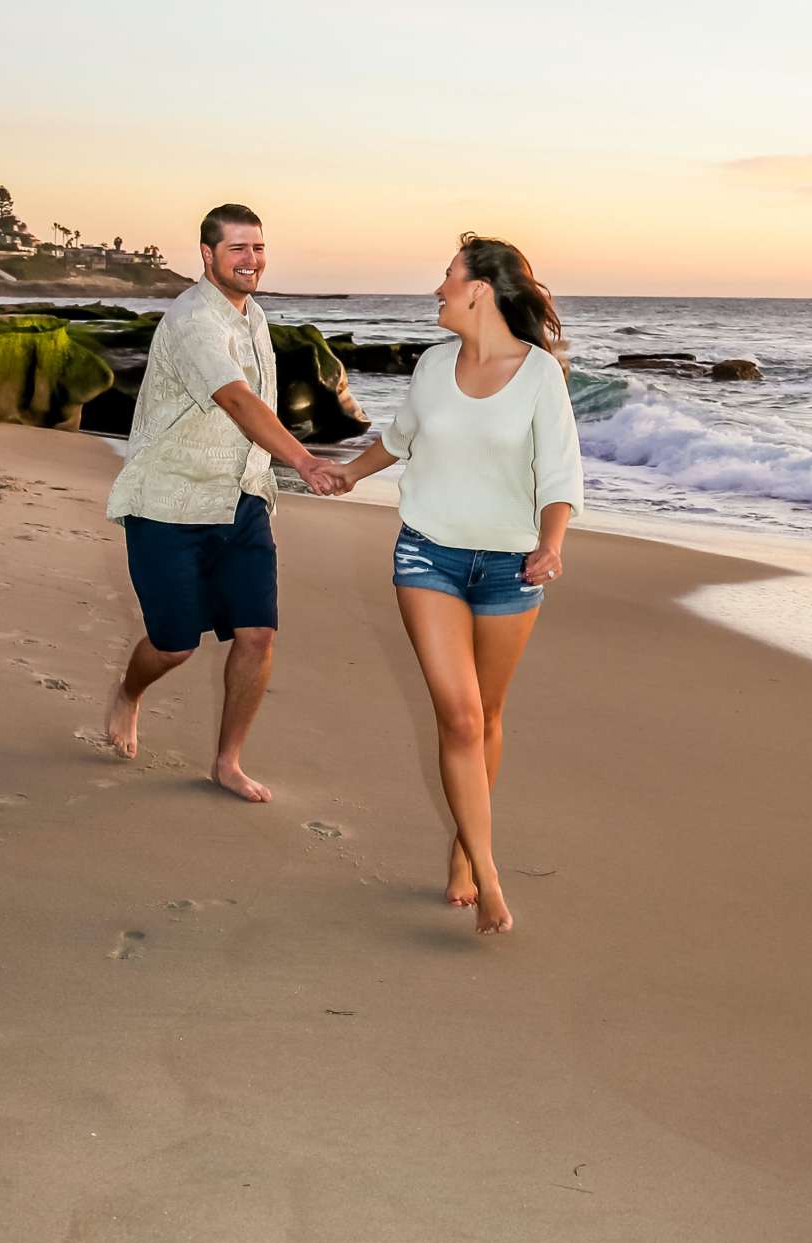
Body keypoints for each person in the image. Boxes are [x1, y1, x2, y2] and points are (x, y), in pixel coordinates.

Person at [334, 234, 583, 935]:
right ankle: (489, 867)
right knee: (462, 717)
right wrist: (348, 474)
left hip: (510, 566)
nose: (438, 289)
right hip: (428, 555)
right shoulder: (432, 364)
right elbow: (401, 436)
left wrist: (551, 545)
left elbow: (560, 474)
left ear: (480, 289)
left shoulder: (539, 373)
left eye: (447, 277)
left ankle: (462, 849)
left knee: (489, 715)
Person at [102, 204, 343, 802]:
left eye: (257, 247)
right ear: (207, 255)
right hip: (170, 500)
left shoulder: (254, 316)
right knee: (174, 644)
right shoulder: (191, 321)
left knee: (257, 633)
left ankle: (227, 762)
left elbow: (252, 405)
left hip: (242, 495)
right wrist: (305, 460)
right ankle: (130, 692)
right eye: (237, 249)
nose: (251, 260)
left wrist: (274, 468)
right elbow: (237, 400)